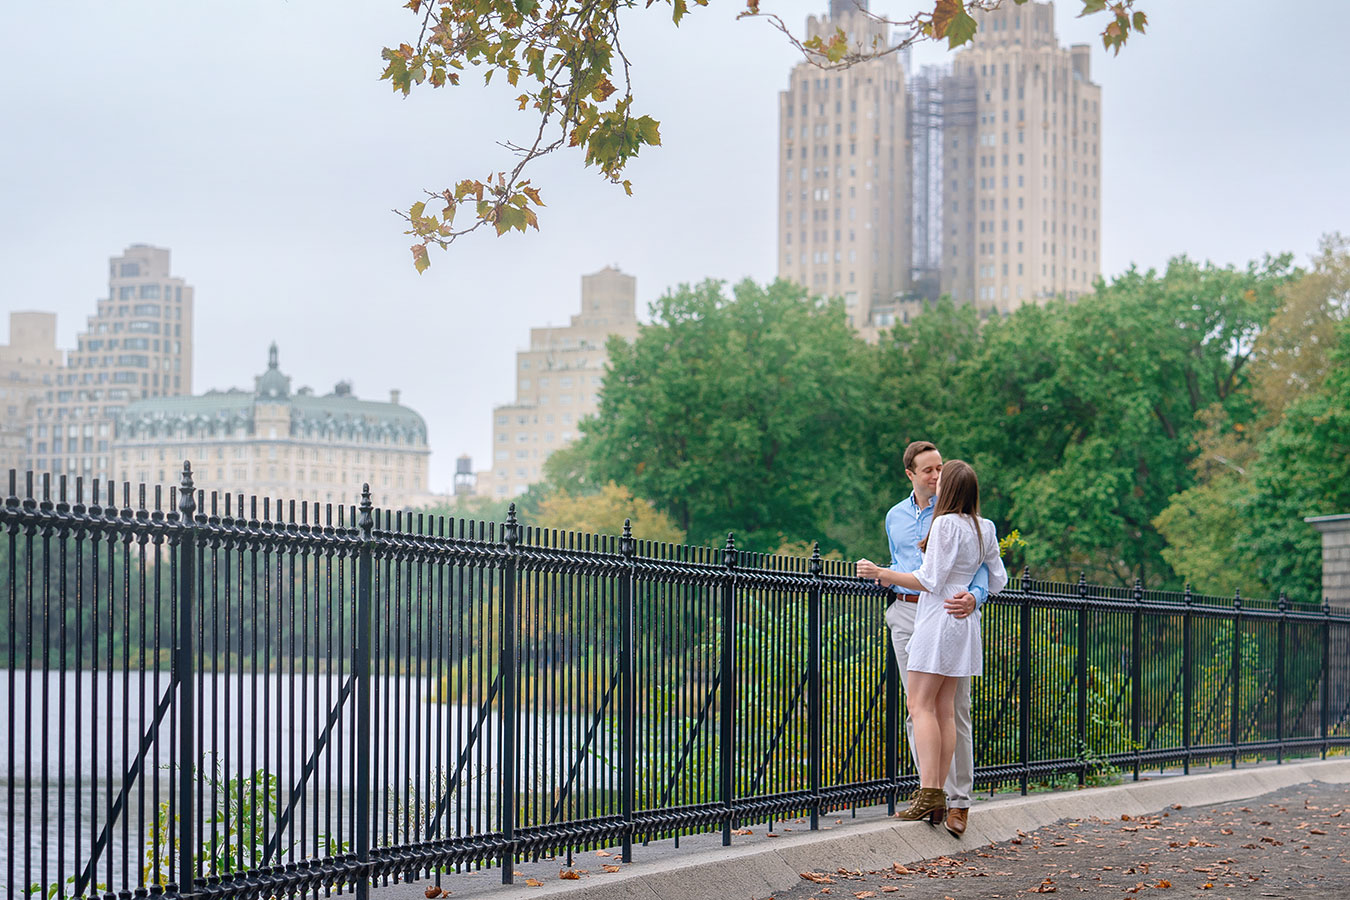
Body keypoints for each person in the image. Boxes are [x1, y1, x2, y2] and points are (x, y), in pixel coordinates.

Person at [857, 456, 1007, 831]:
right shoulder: (984, 527)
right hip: (963, 625)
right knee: (944, 710)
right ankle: (938, 795)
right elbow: (998, 578)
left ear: (951, 488)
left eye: (943, 475)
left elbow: (930, 579)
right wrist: (971, 594)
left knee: (919, 705)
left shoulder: (943, 525)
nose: (936, 479)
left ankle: (928, 792)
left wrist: (880, 573)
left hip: (937, 619)